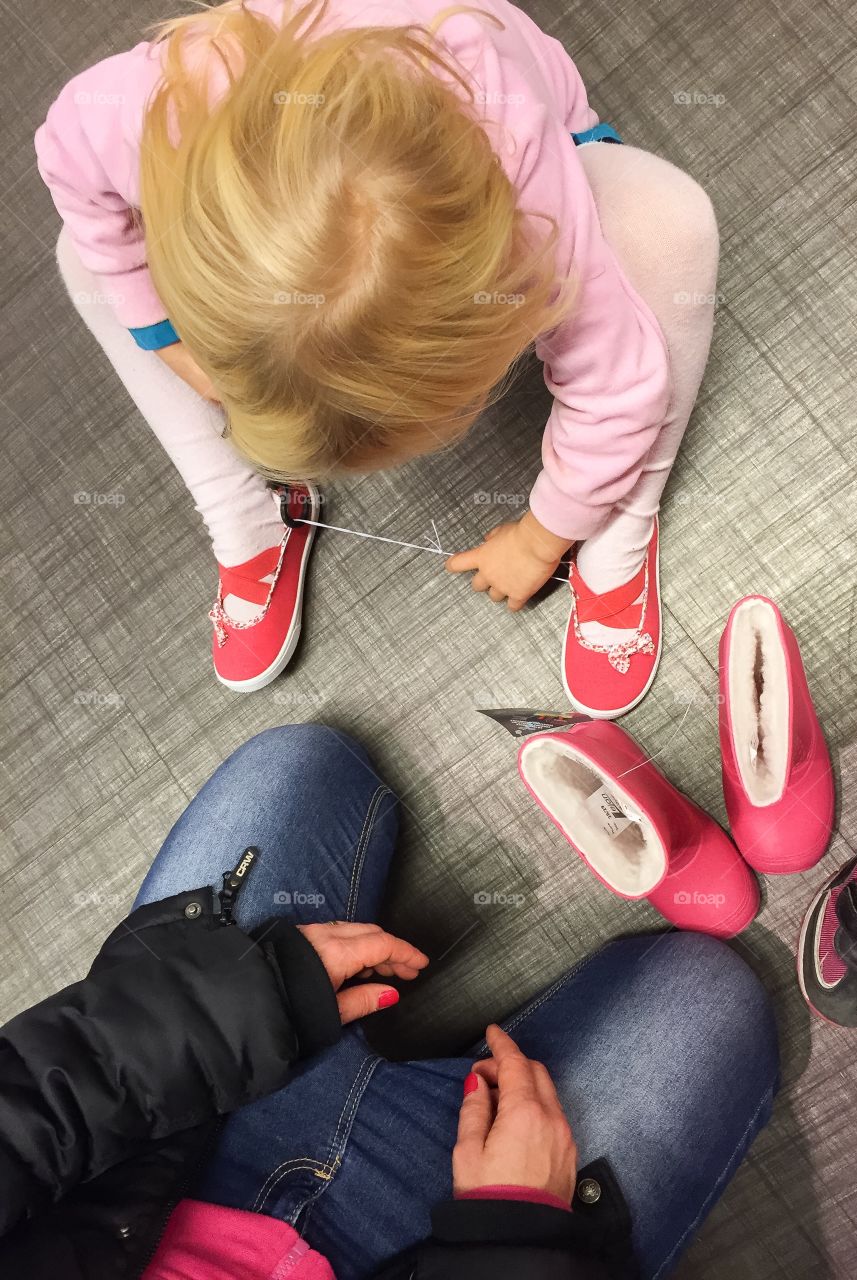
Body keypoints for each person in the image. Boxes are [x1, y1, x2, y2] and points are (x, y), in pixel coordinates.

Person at [36, 0, 719, 715]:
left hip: (526, 151)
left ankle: (619, 518)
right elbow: (63, 159)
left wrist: (544, 535)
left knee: (661, 220)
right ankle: (246, 511)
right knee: (83, 261)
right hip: (298, 157)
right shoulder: (132, 116)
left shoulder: (528, 215)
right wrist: (168, 342)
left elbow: (618, 388)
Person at [0, 723, 779, 1279]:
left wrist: (216, 1014)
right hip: (412, 1245)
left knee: (301, 768)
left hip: (153, 1163)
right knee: (711, 1000)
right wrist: (514, 1236)